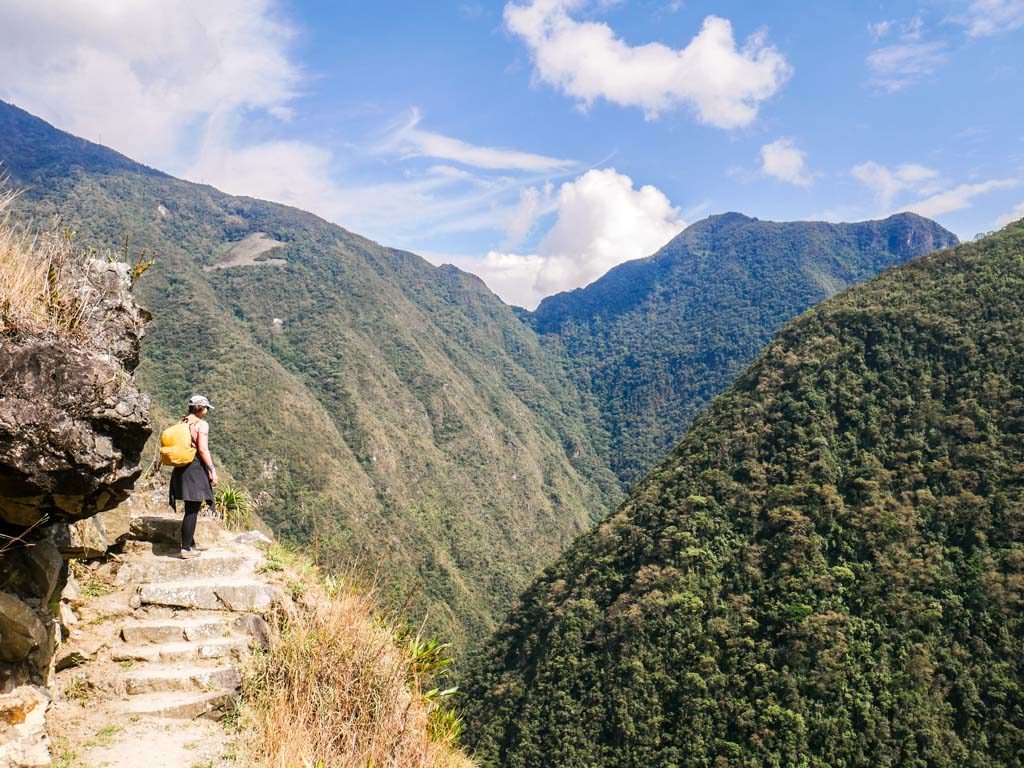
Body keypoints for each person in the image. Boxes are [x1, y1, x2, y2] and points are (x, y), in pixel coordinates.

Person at [168, 394, 219, 559]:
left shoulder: (182, 421)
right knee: (192, 509)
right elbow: (203, 449)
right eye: (205, 409)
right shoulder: (201, 425)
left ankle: (190, 544)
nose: (206, 412)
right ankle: (185, 549)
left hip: (180, 468)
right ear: (199, 408)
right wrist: (212, 469)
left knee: (191, 508)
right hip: (194, 468)